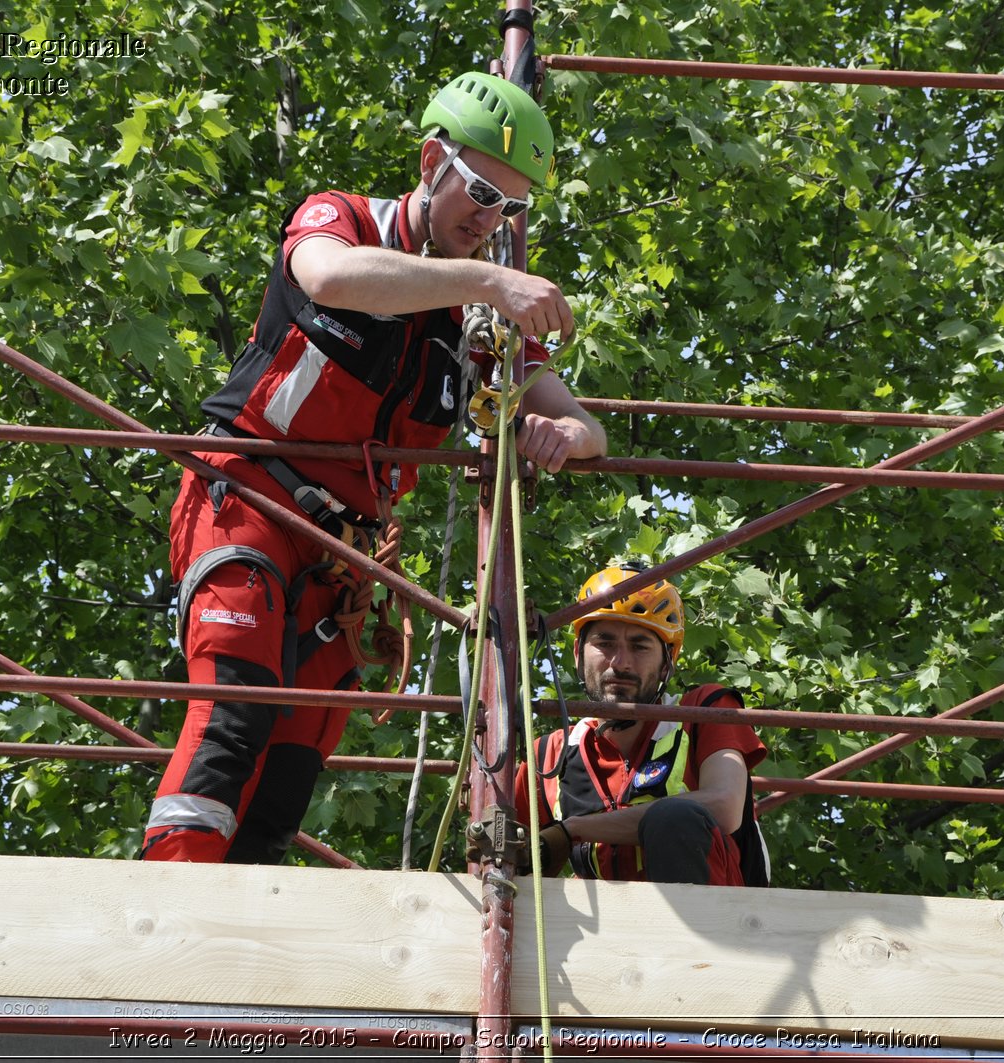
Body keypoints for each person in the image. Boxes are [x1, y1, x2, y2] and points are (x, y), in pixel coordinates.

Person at [141, 72, 607, 863]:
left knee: (289, 769)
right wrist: (492, 278)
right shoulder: (344, 219)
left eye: (512, 210)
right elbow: (328, 275)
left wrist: (559, 433)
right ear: (432, 161)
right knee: (236, 708)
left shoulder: (479, 323)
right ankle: (166, 906)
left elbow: (583, 422)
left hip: (342, 557)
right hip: (250, 496)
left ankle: (232, 942)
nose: (491, 221)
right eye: (482, 193)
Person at [514, 565, 770, 886]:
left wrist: (574, 829)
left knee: (673, 817)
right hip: (609, 929)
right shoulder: (549, 755)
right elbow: (514, 860)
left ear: (668, 662)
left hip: (717, 921)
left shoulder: (704, 711)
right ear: (578, 652)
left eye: (639, 646)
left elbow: (724, 805)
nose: (620, 663)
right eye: (604, 643)